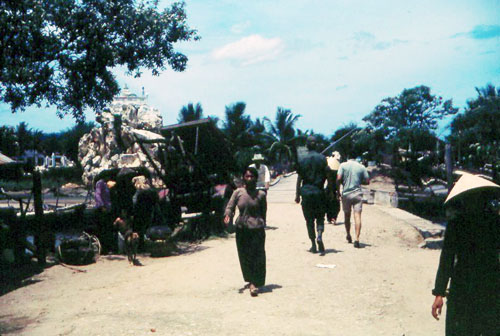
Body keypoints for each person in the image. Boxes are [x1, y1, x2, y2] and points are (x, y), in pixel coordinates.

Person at [431, 173, 499, 335]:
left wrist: (439, 292)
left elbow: (447, 260)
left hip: (464, 285)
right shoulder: (496, 222)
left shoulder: (457, 225)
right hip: (490, 285)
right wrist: (439, 293)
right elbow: (446, 259)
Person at [224, 167, 267, 297]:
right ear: (243, 178)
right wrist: (228, 215)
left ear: (256, 178)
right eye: (247, 176)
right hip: (242, 229)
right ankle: (251, 281)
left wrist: (262, 223)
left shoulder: (261, 195)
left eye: (251, 176)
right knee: (245, 256)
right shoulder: (238, 193)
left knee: (258, 256)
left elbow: (264, 212)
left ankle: (255, 281)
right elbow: (230, 207)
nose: (249, 179)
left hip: (257, 229)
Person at [295, 135, 329, 255]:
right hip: (319, 192)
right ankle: (319, 235)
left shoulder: (302, 160)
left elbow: (299, 178)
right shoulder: (323, 159)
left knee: (309, 220)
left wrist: (297, 195)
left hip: (306, 193)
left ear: (307, 145)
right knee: (320, 217)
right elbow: (327, 175)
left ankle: (313, 244)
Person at [336, 156, 369, 248]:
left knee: (347, 216)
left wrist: (338, 191)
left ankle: (348, 235)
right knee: (357, 216)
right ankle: (357, 239)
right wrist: (358, 181)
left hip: (346, 194)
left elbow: (338, 179)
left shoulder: (343, 165)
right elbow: (367, 181)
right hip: (357, 194)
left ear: (347, 157)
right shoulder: (361, 167)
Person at [94, 178, 116, 254]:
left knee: (108, 229)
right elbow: (97, 195)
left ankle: (108, 248)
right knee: (103, 229)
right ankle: (104, 249)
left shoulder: (106, 185)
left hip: (108, 210)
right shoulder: (100, 183)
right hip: (102, 210)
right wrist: (102, 206)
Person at [325, 151, 341, 224]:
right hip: (335, 188)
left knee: (329, 203)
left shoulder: (328, 162)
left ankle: (330, 217)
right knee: (335, 204)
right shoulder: (338, 165)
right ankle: (333, 217)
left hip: (329, 187)